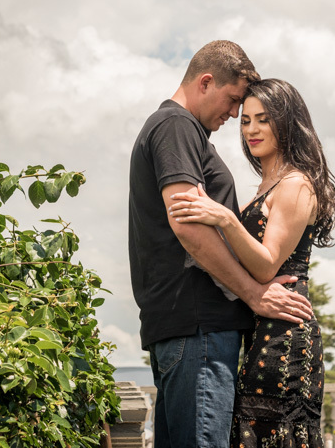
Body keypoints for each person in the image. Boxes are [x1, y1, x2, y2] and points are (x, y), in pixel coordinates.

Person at [129, 43, 316, 448]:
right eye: (236, 105)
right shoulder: (176, 126)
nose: (236, 118)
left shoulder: (290, 183)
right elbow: (188, 226)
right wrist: (252, 294)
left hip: (196, 328)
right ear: (206, 82)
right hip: (199, 326)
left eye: (258, 118)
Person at [169, 78, 335, 448]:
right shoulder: (267, 186)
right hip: (261, 329)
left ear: (288, 121)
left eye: (263, 119)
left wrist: (225, 219)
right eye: (245, 120)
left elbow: (266, 266)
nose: (252, 130)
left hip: (286, 333)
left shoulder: (296, 184)